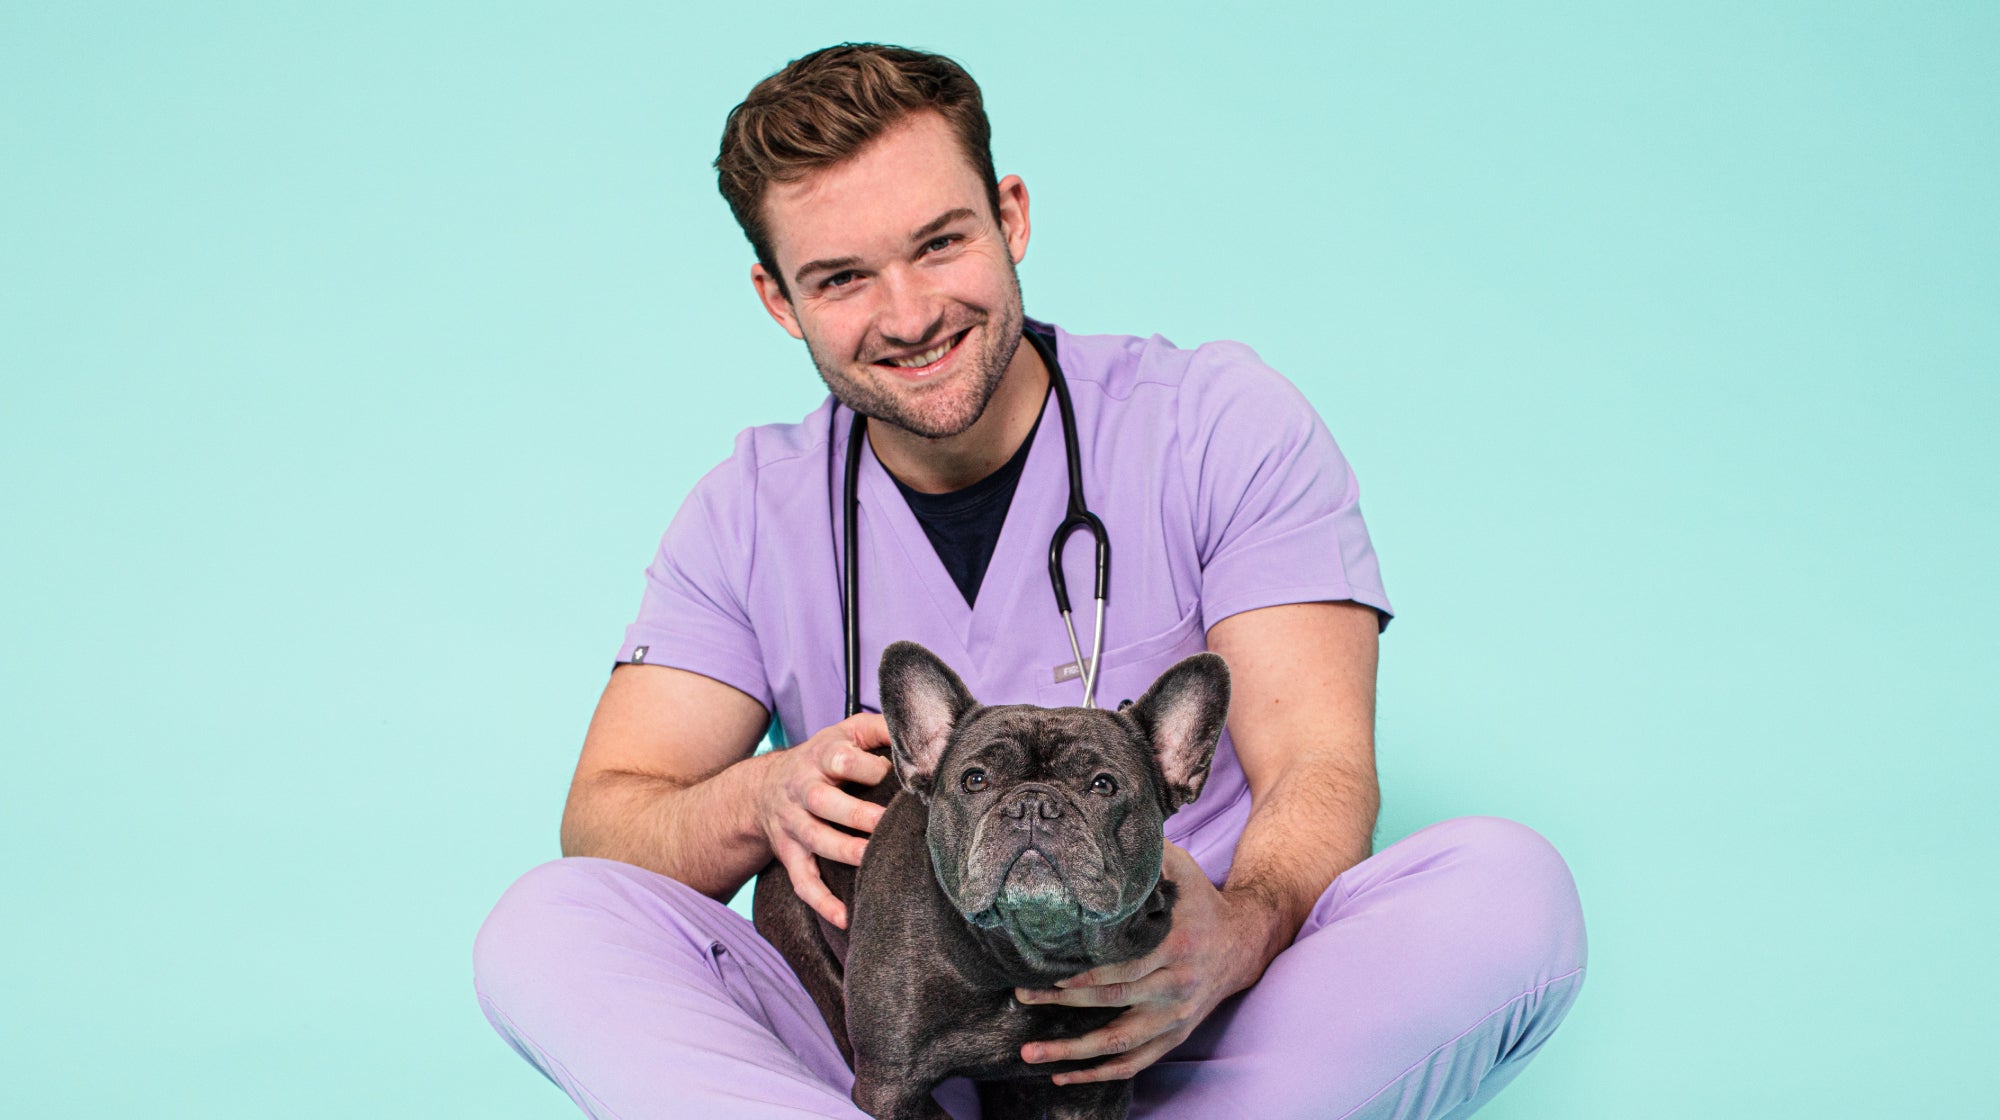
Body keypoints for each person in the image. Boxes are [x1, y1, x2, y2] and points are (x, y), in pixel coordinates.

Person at [473, 43, 1586, 1120]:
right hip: (874, 1049)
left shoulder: (1215, 423)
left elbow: (1319, 768)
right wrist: (756, 797)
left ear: (1009, 216)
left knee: (1505, 892)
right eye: (843, 277)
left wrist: (1236, 934)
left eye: (939, 244)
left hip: (1190, 1027)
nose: (907, 314)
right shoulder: (745, 511)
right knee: (547, 924)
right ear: (777, 296)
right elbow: (607, 815)